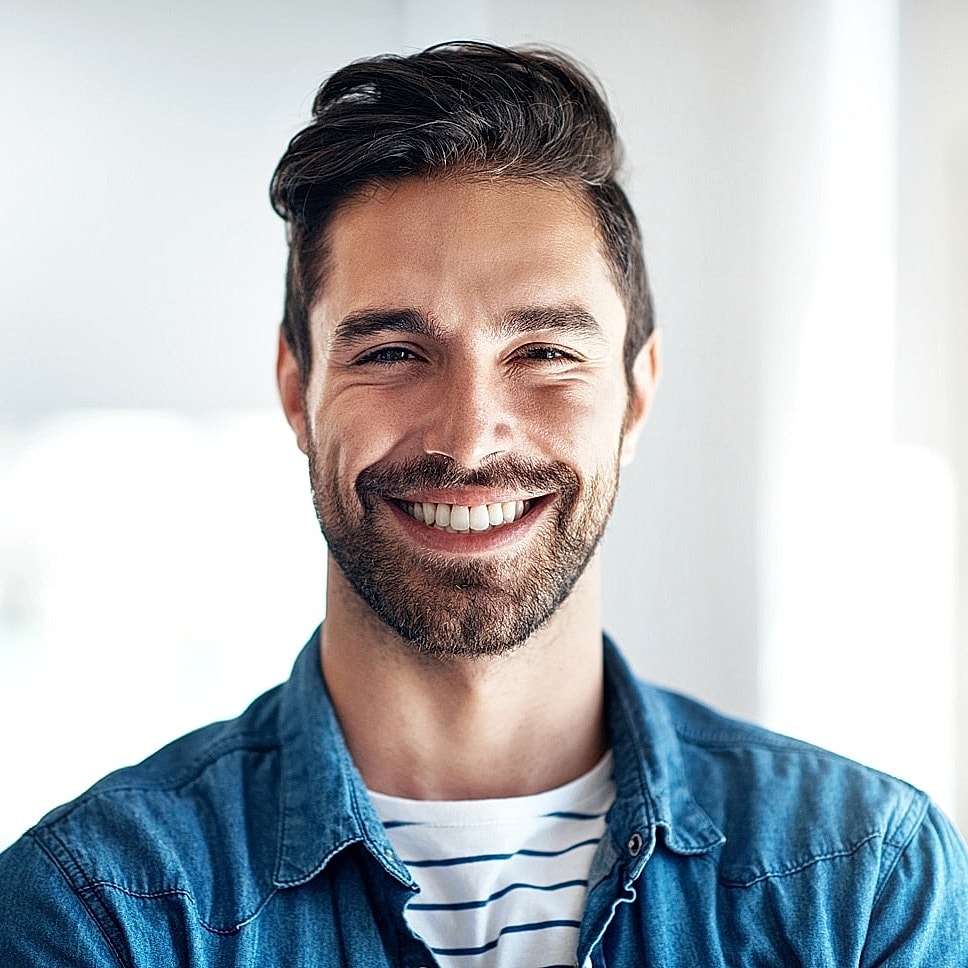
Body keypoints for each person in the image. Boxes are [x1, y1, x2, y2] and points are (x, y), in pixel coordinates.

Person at [1, 40, 966, 967]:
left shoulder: (863, 879)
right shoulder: (99, 908)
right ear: (296, 388)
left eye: (545, 353)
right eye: (390, 353)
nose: (468, 439)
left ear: (636, 391)